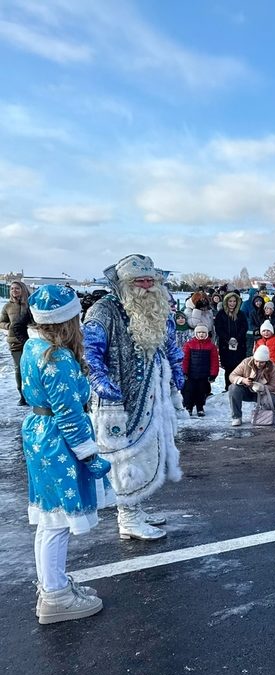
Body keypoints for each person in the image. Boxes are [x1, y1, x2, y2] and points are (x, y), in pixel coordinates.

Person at [22, 285, 113, 624]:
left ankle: (53, 584)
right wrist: (90, 456)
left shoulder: (34, 346)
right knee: (57, 521)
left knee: (49, 519)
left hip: (39, 433)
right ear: (67, 320)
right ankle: (55, 597)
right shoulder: (56, 358)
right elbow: (69, 414)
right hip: (57, 441)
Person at [83, 254, 182, 542]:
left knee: (148, 452)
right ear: (124, 283)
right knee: (125, 456)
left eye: (151, 280)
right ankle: (128, 517)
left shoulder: (158, 306)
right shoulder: (104, 310)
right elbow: (91, 353)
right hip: (118, 399)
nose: (147, 285)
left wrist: (177, 369)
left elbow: (170, 343)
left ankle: (136, 508)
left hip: (153, 396)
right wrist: (100, 380)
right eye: (140, 280)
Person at [228, 345, 275, 427]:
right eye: (256, 361)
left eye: (262, 362)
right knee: (233, 388)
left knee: (272, 401)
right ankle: (236, 417)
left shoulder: (273, 368)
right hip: (247, 390)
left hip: (264, 393)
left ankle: (264, 415)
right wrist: (243, 380)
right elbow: (232, 376)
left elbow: (273, 386)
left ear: (266, 361)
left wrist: (262, 387)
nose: (258, 364)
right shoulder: (246, 362)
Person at [1, 279, 32, 405]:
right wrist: (10, 326)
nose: (14, 290)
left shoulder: (30, 304)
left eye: (17, 288)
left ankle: (34, 394)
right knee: (19, 368)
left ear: (23, 290)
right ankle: (22, 395)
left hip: (31, 341)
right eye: (12, 288)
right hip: (15, 342)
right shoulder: (7, 306)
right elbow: (1, 322)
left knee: (31, 368)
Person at [180, 325, 219, 417]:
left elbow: (214, 361)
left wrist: (213, 374)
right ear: (195, 333)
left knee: (202, 391)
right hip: (191, 374)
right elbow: (185, 359)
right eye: (199, 332)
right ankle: (188, 407)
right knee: (188, 391)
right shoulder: (189, 345)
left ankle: (200, 407)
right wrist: (184, 372)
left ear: (206, 334)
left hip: (204, 375)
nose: (201, 334)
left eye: (203, 333)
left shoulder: (211, 346)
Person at [214, 291, 248, 391]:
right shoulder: (221, 314)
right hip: (225, 344)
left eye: (234, 301)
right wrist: (228, 339)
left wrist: (237, 338)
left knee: (238, 366)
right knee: (228, 367)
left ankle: (238, 387)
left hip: (239, 344)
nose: (232, 303)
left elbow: (244, 327)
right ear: (226, 302)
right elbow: (219, 328)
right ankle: (228, 387)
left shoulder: (241, 314)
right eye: (230, 301)